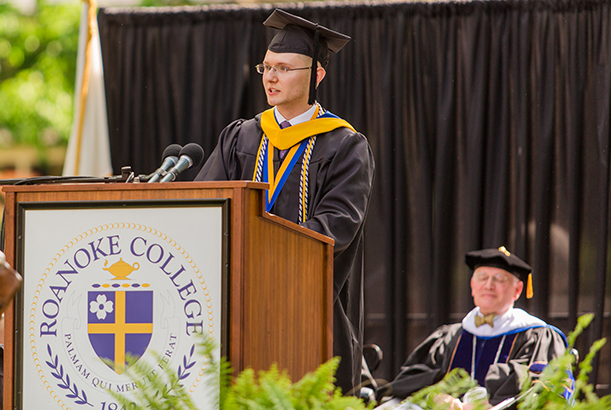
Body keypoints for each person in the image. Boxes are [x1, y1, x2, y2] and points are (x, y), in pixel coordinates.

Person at [195, 8, 375, 393]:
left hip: (307, 310)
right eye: (266, 67)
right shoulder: (241, 137)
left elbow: (335, 227)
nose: (271, 77)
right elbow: (205, 206)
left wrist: (261, 252)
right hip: (237, 307)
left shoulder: (345, 145)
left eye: (284, 68)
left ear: (316, 76)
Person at [379, 247, 572, 408]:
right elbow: (411, 380)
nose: (489, 285)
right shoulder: (449, 336)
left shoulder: (538, 336)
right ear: (472, 285)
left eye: (499, 278)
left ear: (517, 290)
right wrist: (435, 397)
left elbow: (545, 388)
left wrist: (490, 402)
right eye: (482, 277)